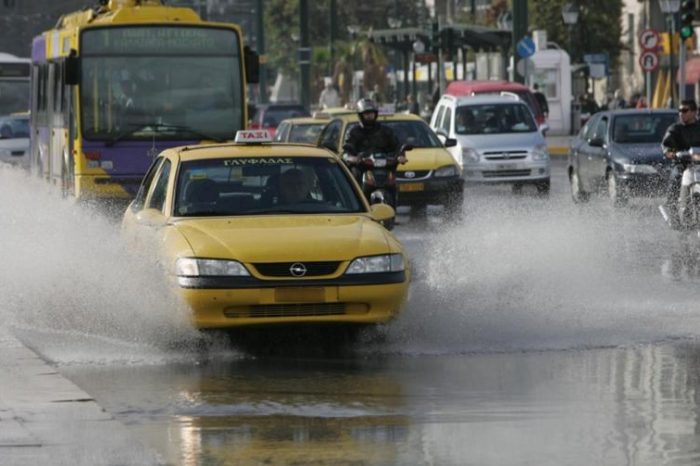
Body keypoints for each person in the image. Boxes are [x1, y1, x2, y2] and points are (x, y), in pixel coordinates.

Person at [661, 99, 700, 229]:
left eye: (685, 110)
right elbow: (666, 145)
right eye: (680, 110)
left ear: (694, 112)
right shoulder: (675, 129)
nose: (681, 113)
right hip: (682, 164)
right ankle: (672, 211)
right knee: (676, 176)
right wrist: (671, 153)